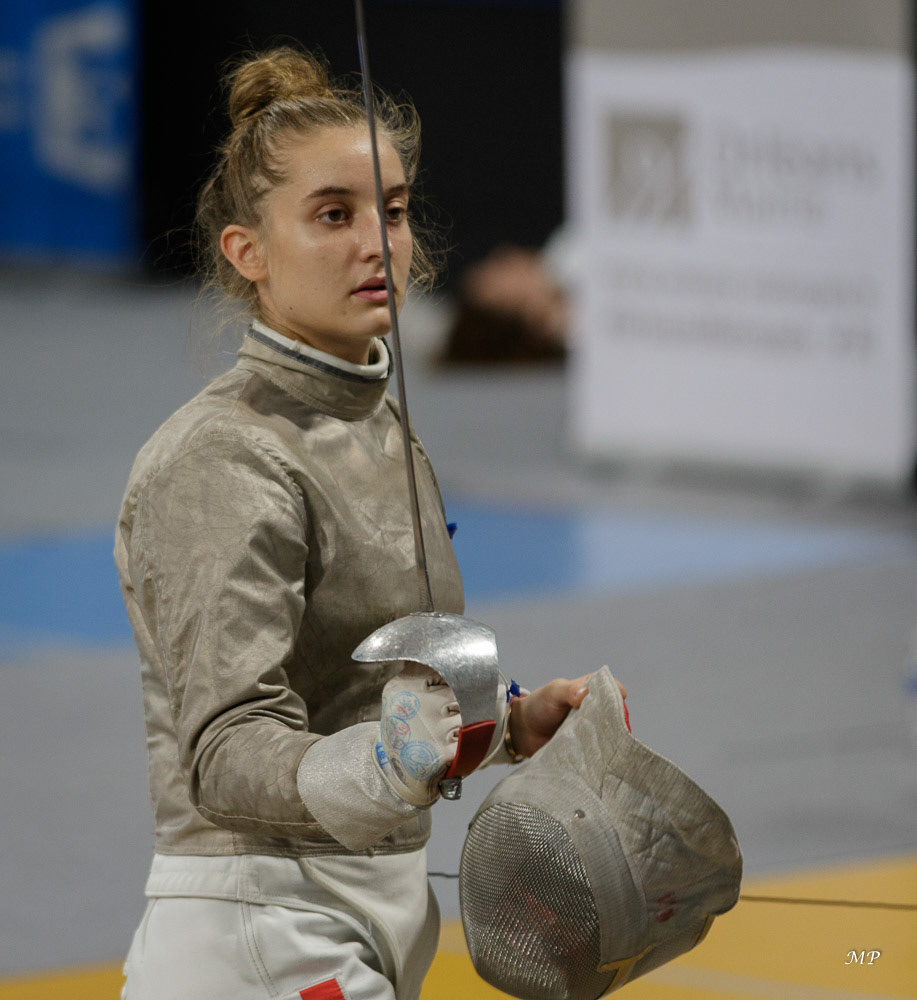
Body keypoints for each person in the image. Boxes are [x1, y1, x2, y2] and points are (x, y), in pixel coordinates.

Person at [115, 46, 622, 1000]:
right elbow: (224, 753)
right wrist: (393, 761)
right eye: (331, 215)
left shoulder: (374, 422)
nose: (376, 243)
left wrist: (505, 725)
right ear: (247, 253)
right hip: (258, 928)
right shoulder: (222, 459)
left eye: (388, 211)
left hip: (368, 905)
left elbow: (366, 693)